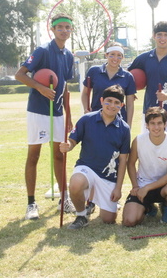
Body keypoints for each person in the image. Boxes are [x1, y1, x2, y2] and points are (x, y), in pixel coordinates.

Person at [15, 13, 75, 221]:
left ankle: (64, 198)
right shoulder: (42, 50)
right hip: (38, 111)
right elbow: (20, 74)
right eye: (60, 27)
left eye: (68, 27)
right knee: (34, 155)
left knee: (59, 155)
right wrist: (40, 88)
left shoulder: (69, 55)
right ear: (53, 29)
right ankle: (31, 203)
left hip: (57, 112)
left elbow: (65, 86)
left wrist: (68, 115)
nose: (64, 30)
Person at [60, 85, 131, 229]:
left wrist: (118, 188)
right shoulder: (86, 119)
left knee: (108, 219)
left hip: (108, 176)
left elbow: (123, 160)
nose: (112, 105)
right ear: (101, 100)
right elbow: (73, 140)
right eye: (108, 101)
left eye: (116, 103)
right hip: (87, 168)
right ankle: (81, 215)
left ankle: (95, 198)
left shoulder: (124, 128)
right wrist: (68, 145)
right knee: (75, 183)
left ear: (121, 106)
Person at [122, 107, 167, 226]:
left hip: (164, 187)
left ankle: (166, 206)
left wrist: (148, 188)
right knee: (129, 221)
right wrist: (135, 186)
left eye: (159, 123)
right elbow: (130, 163)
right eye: (152, 123)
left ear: (165, 124)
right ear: (147, 125)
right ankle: (149, 207)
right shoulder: (138, 140)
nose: (156, 127)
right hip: (142, 186)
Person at [128, 21, 167, 139]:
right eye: (159, 35)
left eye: (166, 35)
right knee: (147, 147)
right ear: (154, 36)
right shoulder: (144, 58)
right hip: (148, 112)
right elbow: (126, 76)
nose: (162, 38)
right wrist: (131, 91)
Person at [82, 42, 136, 126]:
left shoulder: (128, 76)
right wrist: (86, 109)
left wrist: (128, 125)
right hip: (96, 118)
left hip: (118, 121)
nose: (115, 58)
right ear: (106, 55)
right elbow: (85, 93)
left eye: (119, 55)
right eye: (112, 54)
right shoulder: (94, 71)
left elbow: (130, 104)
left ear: (122, 57)